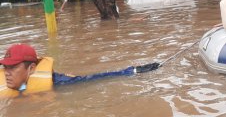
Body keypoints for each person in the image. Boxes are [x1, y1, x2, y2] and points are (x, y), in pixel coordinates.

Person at [0, 43, 159, 97]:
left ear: (32, 68)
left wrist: (131, 71)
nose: (7, 72)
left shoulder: (60, 83)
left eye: (13, 67)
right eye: (5, 67)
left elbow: (98, 78)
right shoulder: (8, 85)